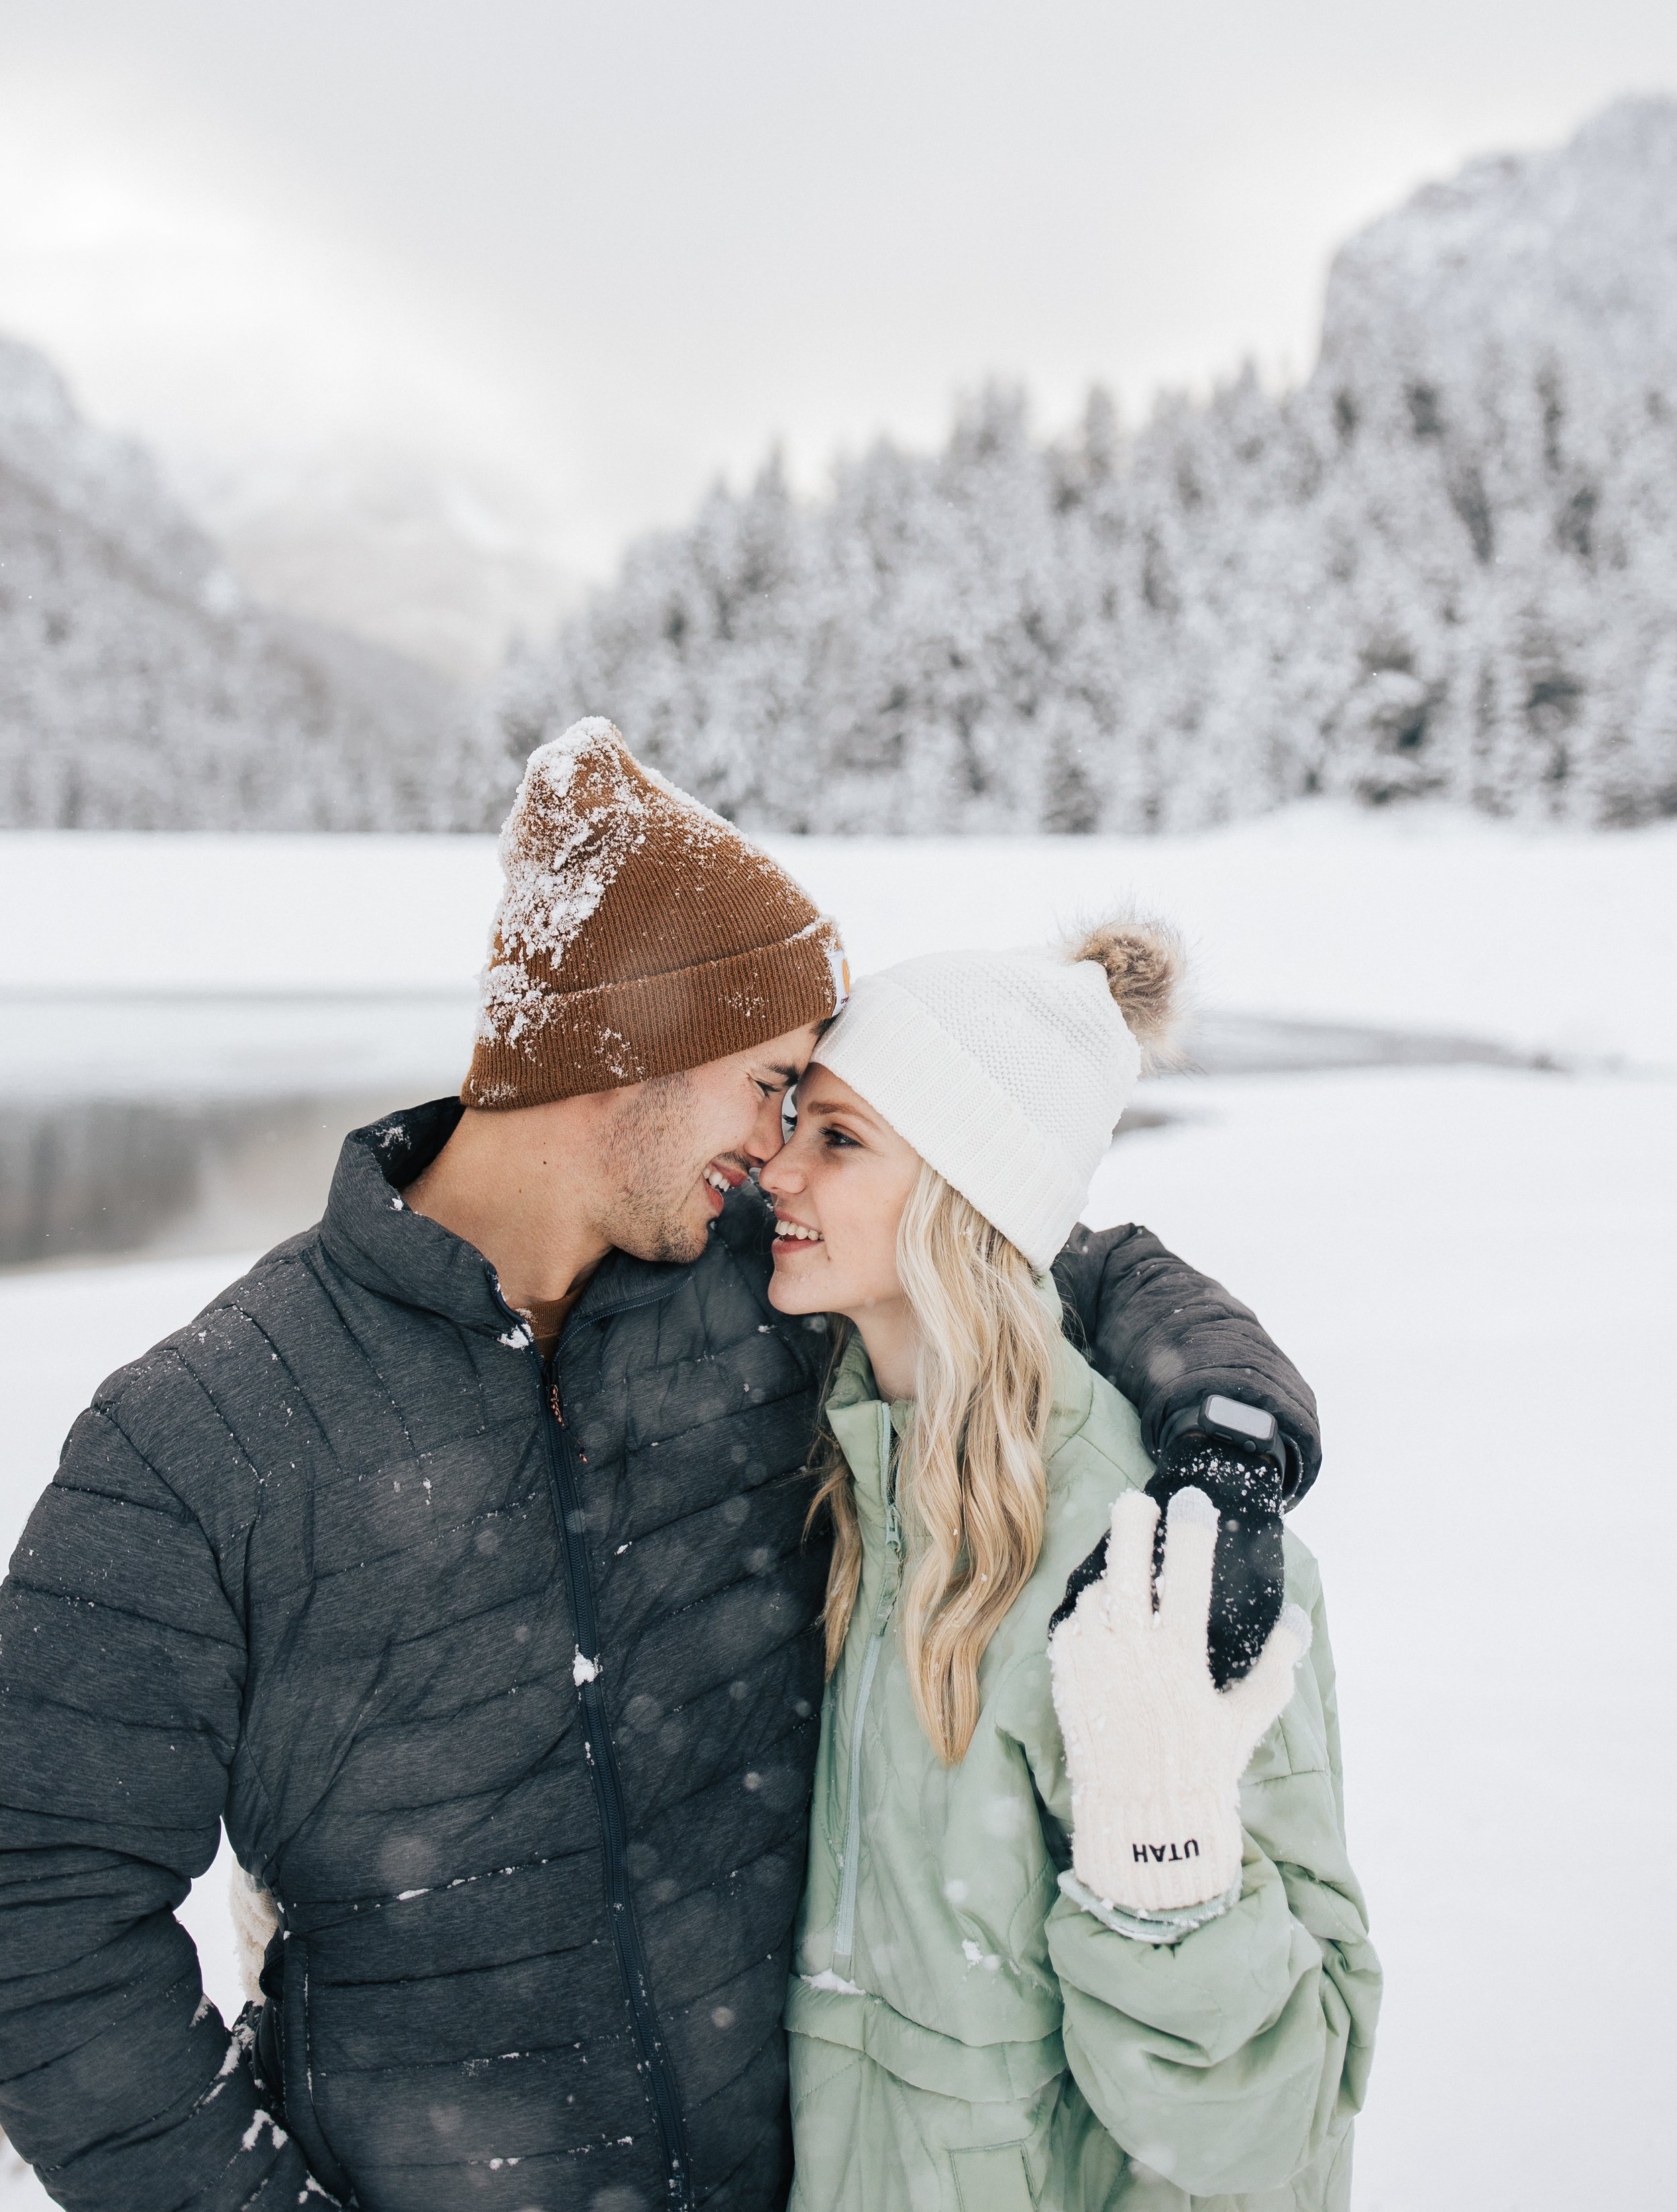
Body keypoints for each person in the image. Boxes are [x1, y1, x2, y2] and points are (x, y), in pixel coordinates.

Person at [0, 721, 1323, 2212]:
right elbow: (39, 1908)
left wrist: (1228, 1435)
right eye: (770, 1083)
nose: (776, 1150)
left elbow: (1051, 1257)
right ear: (618, 1051)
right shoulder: (207, 1434)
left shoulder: (762, 1294)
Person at [761, 927, 1379, 2211]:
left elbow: (1277, 2135)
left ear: (962, 1197)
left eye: (837, 1137)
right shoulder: (844, 1473)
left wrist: (1170, 1884)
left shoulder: (1158, 1558)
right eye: (789, 1121)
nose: (776, 1167)